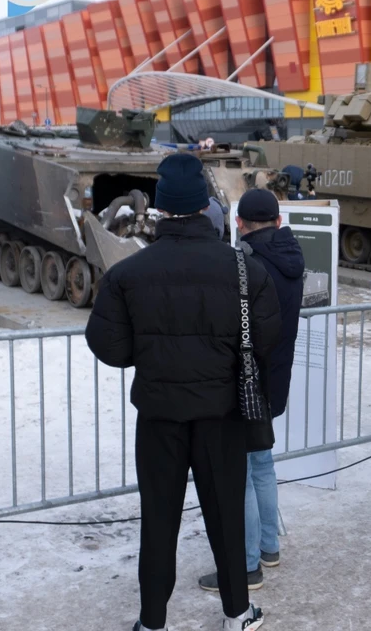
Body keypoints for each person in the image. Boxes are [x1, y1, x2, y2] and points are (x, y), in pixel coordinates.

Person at [84, 153, 281, 631]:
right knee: (226, 517)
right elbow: (268, 336)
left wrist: (149, 354)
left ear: (162, 210)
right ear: (203, 206)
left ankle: (153, 621)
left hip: (159, 416)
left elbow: (105, 342)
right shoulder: (243, 269)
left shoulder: (129, 273)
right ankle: (237, 613)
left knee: (159, 521)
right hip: (222, 415)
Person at [198, 189, 305, 593]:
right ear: (279, 222)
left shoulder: (245, 265)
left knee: (240, 472)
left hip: (244, 383)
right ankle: (269, 547)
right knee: (261, 463)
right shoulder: (292, 258)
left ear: (239, 224)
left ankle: (245, 567)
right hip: (274, 381)